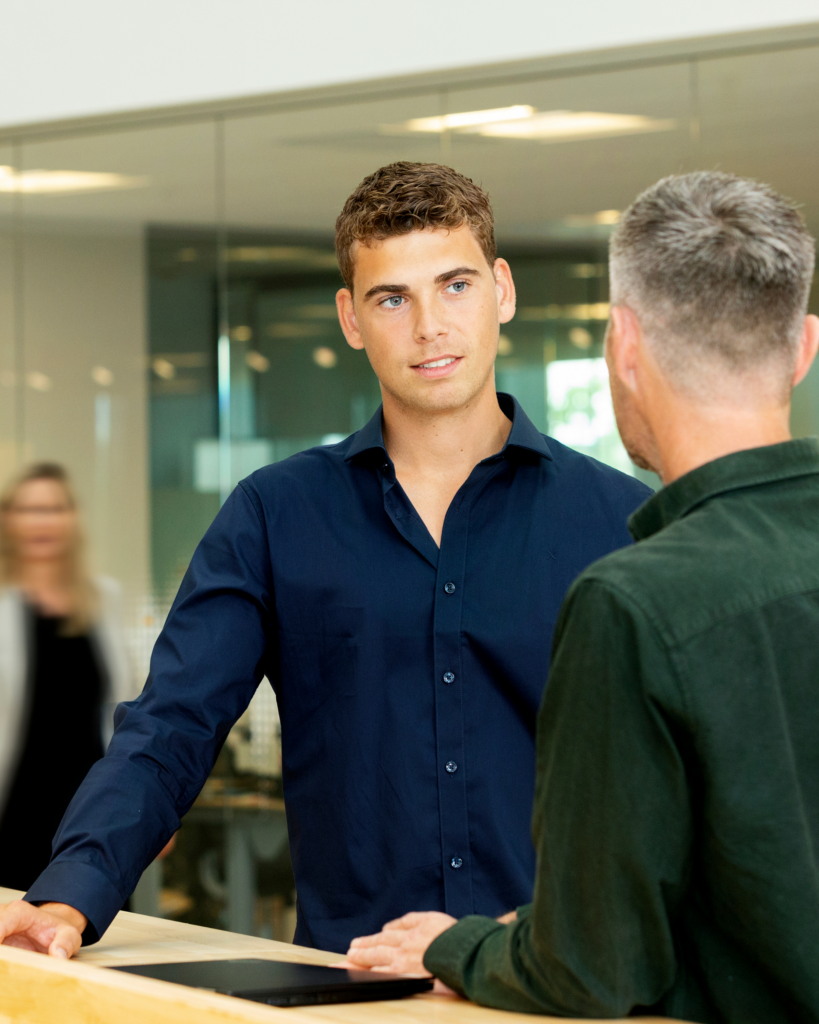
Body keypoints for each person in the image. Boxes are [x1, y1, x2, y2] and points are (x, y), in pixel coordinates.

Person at [0, 162, 649, 959]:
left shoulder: (620, 521)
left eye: (454, 286)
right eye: (391, 298)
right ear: (350, 318)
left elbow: (665, 789)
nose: (428, 327)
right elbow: (172, 722)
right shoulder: (276, 515)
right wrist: (70, 893)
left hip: (555, 989)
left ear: (501, 291)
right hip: (350, 985)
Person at [344, 171, 819, 1023]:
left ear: (622, 346)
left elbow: (592, 973)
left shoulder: (634, 601)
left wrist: (459, 945)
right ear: (802, 347)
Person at [0, 463, 134, 891]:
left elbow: (126, 706)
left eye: (54, 508)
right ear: (9, 519)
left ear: (71, 519)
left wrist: (136, 804)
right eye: (29, 509)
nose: (43, 521)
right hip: (14, 811)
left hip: (88, 819)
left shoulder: (103, 600)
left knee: (88, 933)